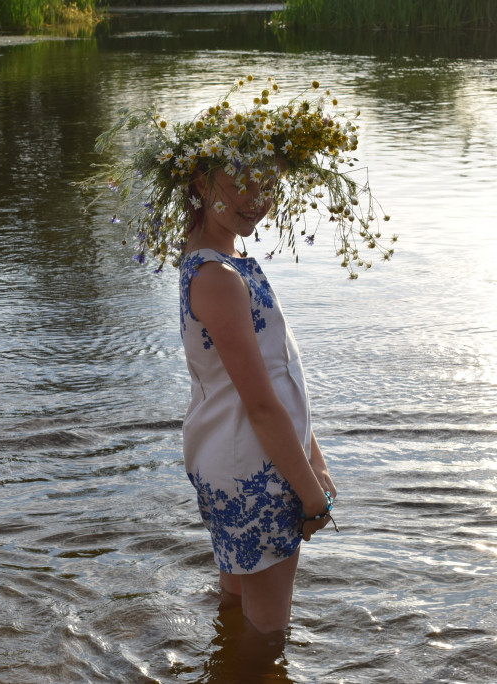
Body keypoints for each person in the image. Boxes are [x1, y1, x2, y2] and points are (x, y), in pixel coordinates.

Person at [89, 77, 395, 641]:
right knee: (267, 640)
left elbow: (277, 379)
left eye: (269, 183)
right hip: (259, 471)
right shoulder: (218, 279)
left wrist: (315, 454)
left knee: (236, 612)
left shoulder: (214, 263)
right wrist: (309, 493)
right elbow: (259, 403)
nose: (258, 196)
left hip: (237, 460)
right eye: (243, 181)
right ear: (203, 182)